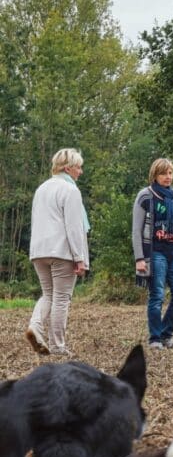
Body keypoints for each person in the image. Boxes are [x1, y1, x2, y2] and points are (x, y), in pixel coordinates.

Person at [25, 148, 90, 356]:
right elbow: (74, 227)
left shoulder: (42, 188)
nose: (80, 172)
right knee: (62, 297)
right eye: (78, 167)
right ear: (67, 168)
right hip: (61, 251)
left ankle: (35, 326)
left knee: (48, 294)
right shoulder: (70, 191)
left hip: (39, 250)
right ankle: (57, 346)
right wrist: (79, 258)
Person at [132, 158, 173, 350]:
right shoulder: (145, 196)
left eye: (170, 173)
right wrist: (139, 258)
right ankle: (155, 338)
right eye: (163, 173)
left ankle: (167, 334)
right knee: (157, 295)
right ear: (155, 175)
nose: (168, 177)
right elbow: (136, 229)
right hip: (155, 251)